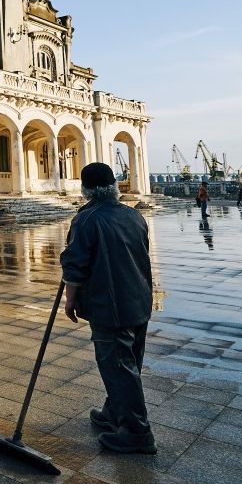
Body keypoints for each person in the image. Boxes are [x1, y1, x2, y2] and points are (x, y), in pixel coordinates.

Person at [60, 163, 155, 454]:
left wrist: (70, 298)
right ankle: (114, 413)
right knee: (130, 361)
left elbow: (75, 266)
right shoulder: (134, 215)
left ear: (85, 189)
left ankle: (137, 433)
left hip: (109, 304)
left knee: (117, 366)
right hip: (139, 299)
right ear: (114, 186)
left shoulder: (86, 220)